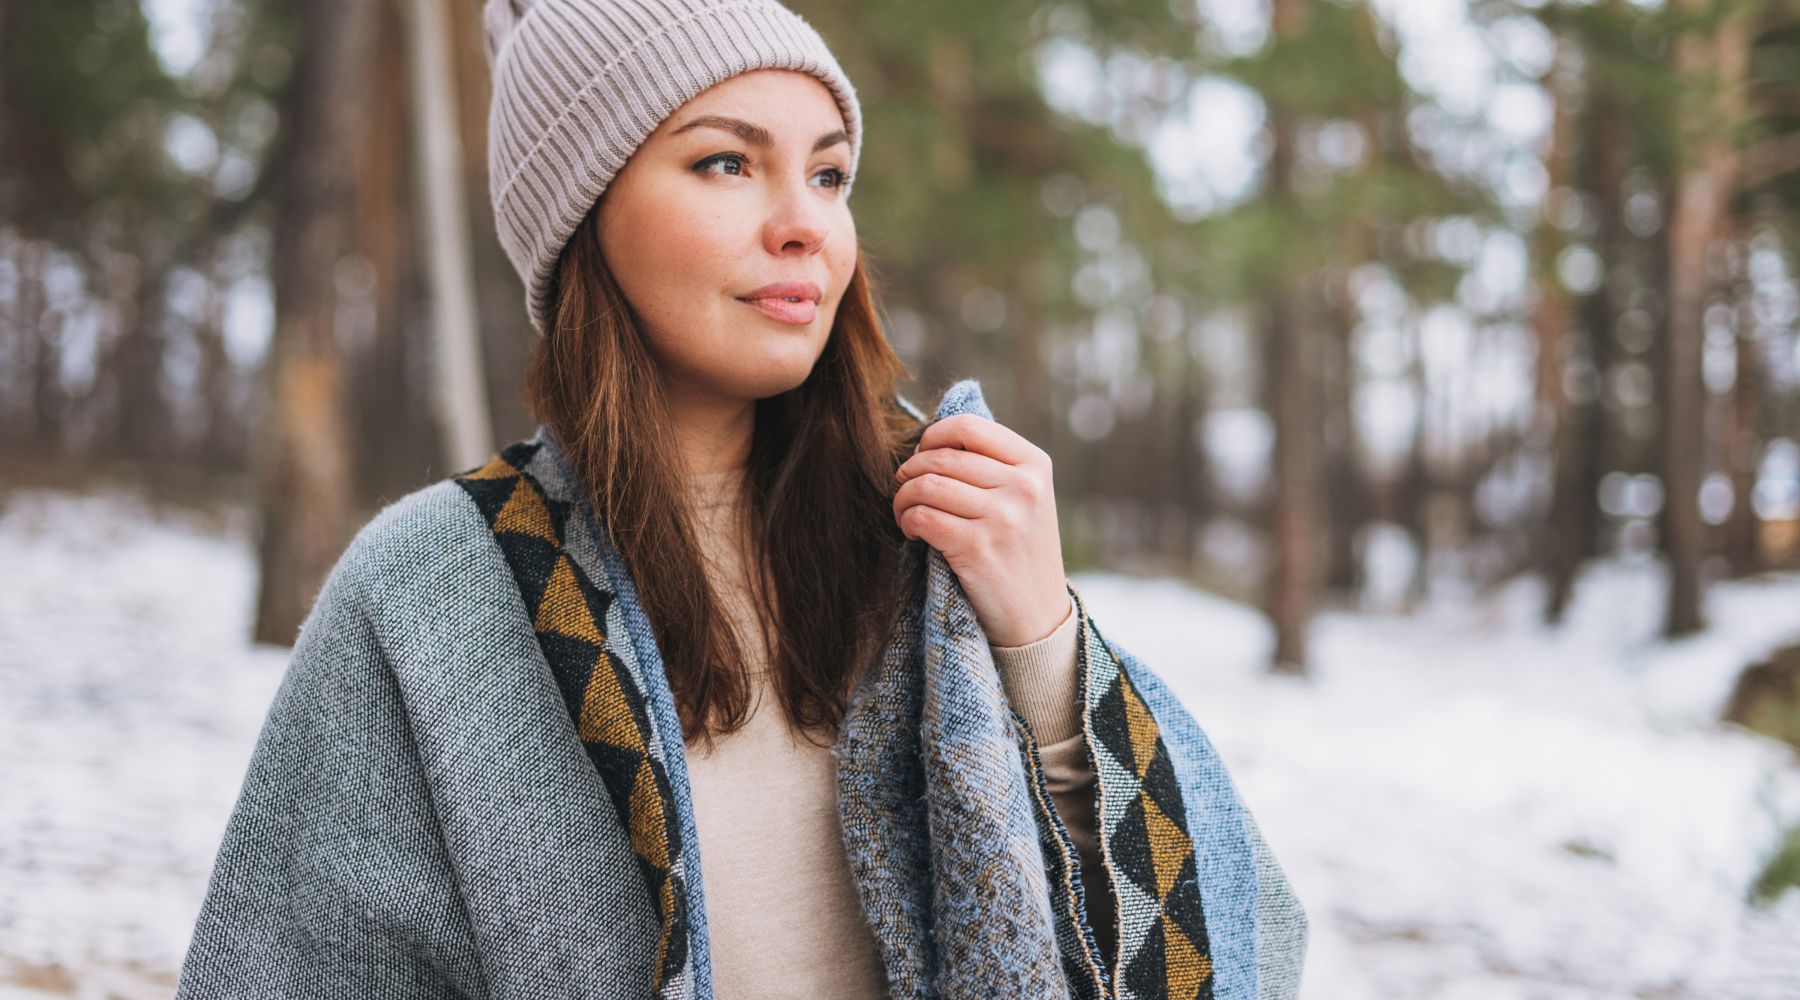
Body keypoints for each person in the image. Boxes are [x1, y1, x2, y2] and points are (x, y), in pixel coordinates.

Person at [176, 1, 1305, 998]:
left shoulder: (934, 535)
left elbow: (1245, 934)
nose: (804, 222)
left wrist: (1043, 650)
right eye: (726, 162)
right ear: (583, 215)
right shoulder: (429, 591)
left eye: (828, 174)